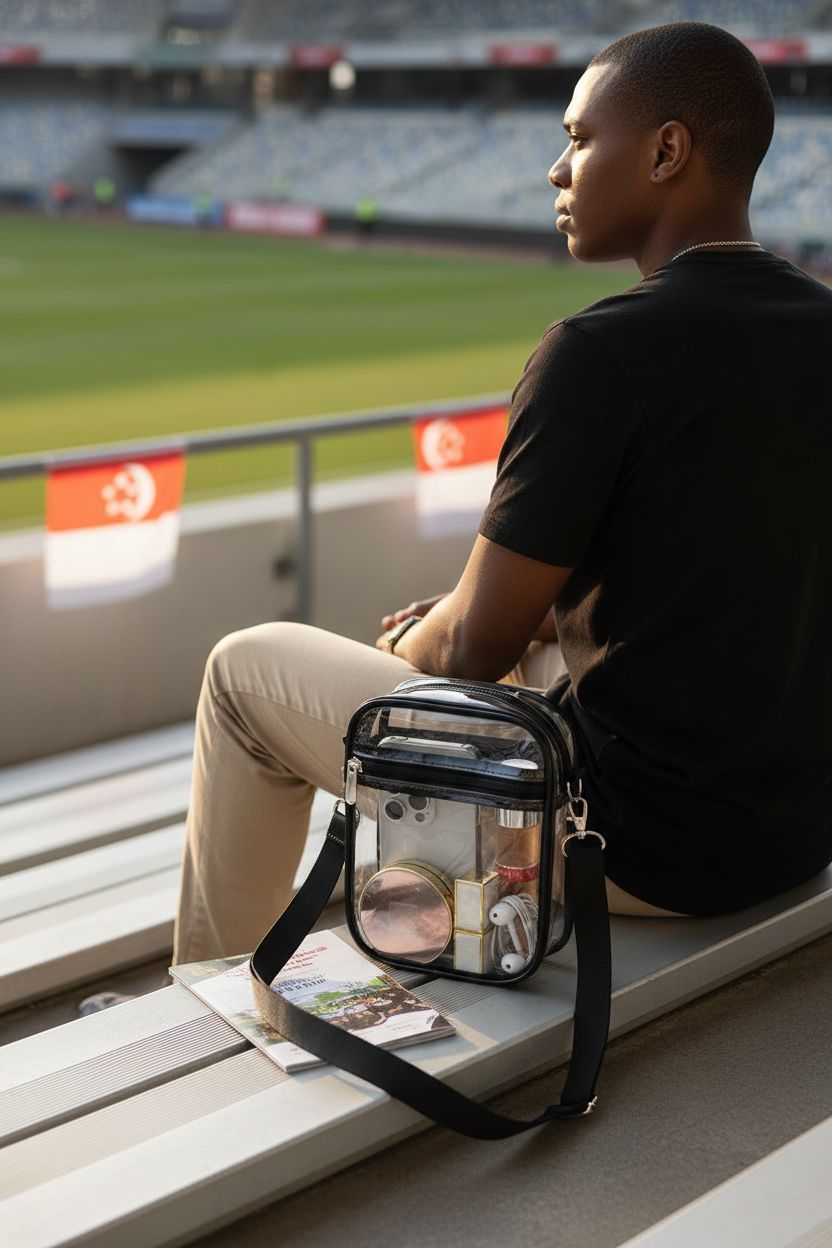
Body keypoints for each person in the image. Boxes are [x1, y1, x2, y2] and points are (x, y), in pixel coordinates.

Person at [172, 22, 832, 966]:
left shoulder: (598, 353)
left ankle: (212, 993)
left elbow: (467, 649)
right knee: (526, 651)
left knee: (244, 671)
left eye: (579, 137)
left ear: (667, 151)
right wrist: (498, 622)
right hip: (793, 839)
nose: (557, 170)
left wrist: (410, 640)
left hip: (637, 851)